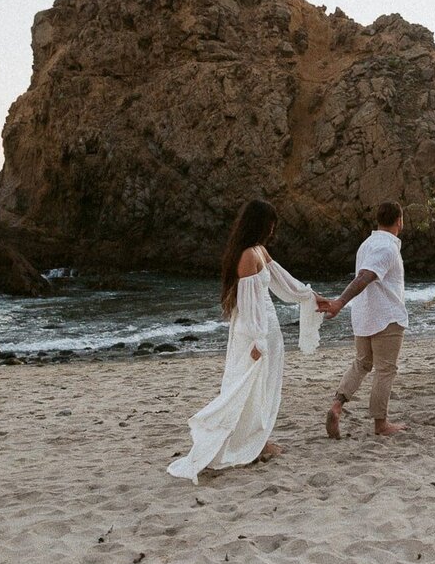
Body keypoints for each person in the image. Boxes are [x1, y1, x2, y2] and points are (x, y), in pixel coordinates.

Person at [168, 199, 323, 483]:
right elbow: (249, 304)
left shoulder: (259, 251)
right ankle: (248, 444)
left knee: (262, 388)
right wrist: (259, 342)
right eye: (271, 223)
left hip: (265, 328)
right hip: (255, 331)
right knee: (246, 387)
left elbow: (283, 282)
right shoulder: (248, 256)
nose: (273, 229)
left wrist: (310, 297)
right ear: (261, 224)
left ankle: (259, 440)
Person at [320, 201, 409, 438]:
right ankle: (381, 424)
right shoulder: (387, 247)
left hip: (364, 316)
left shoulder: (366, 244)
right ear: (399, 220)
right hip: (386, 316)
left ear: (378, 220)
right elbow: (365, 276)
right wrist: (340, 302)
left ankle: (337, 405)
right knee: (385, 370)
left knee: (361, 364)